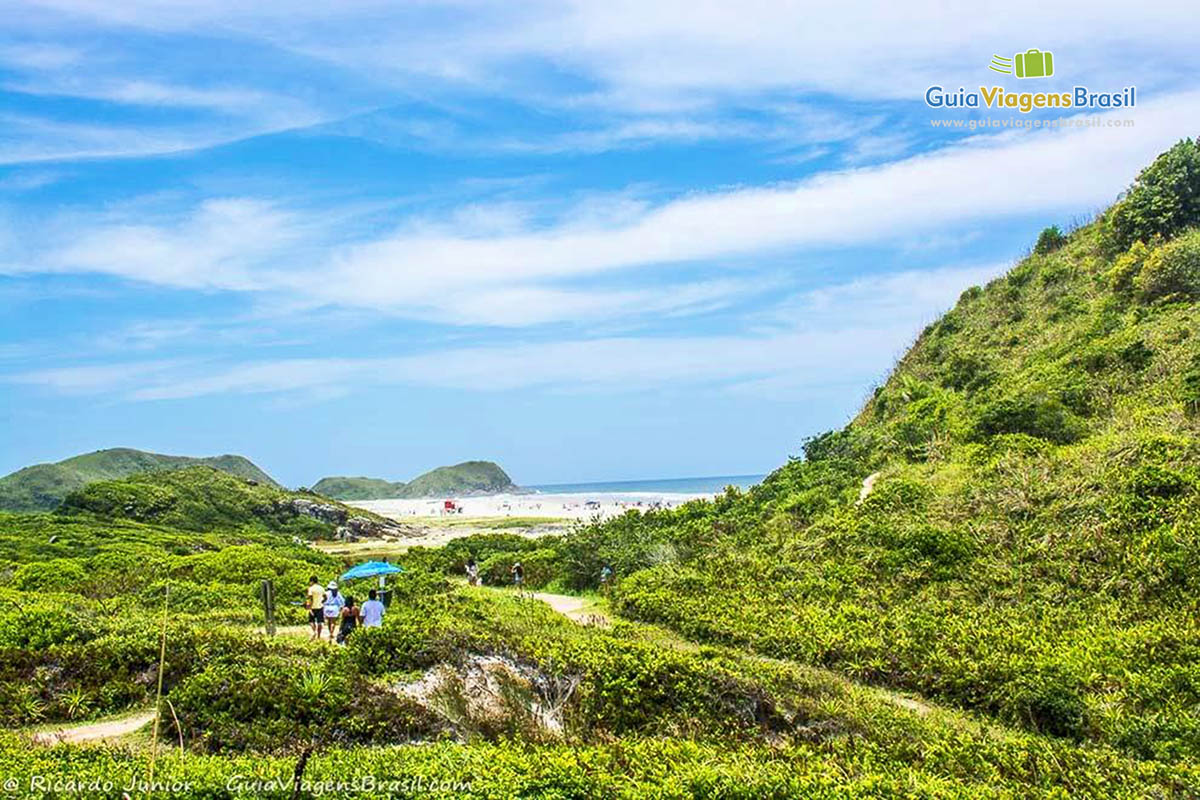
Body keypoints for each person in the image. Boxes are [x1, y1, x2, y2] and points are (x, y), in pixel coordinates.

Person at [305, 576, 326, 640]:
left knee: (311, 621)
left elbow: (310, 598)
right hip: (320, 607)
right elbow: (325, 597)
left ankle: (314, 632)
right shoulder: (321, 588)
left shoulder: (311, 589)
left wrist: (309, 606)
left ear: (312, 581)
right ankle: (319, 636)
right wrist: (322, 602)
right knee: (320, 622)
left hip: (313, 607)